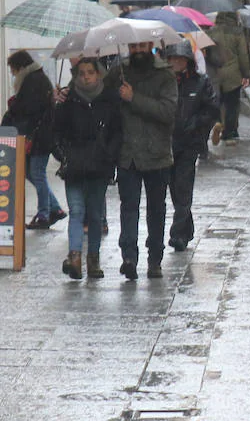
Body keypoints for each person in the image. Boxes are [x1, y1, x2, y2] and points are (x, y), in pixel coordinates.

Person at [106, 40, 177, 280]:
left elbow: (167, 112)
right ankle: (129, 257)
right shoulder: (118, 72)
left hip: (157, 154)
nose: (137, 51)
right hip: (128, 155)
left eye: (142, 46)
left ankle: (154, 259)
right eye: (133, 46)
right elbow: (102, 99)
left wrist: (133, 98)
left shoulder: (165, 75)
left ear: (151, 46)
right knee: (129, 207)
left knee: (156, 209)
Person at [52, 58, 122, 280]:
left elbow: (117, 131)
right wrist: (63, 155)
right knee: (76, 211)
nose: (86, 77)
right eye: (81, 73)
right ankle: (74, 257)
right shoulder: (67, 99)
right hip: (74, 165)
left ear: (98, 74)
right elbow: (55, 131)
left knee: (94, 214)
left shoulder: (109, 99)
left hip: (98, 166)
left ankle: (93, 259)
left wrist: (109, 155)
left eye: (90, 72)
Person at [164, 40, 219, 252]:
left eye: (180, 58)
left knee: (184, 187)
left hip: (189, 144)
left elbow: (211, 108)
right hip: (168, 143)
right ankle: (186, 229)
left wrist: (195, 125)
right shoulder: (165, 82)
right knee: (175, 190)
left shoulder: (200, 81)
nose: (176, 62)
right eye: (172, 58)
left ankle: (177, 233)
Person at [3, 51, 66, 229]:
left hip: (40, 137)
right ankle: (54, 209)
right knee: (31, 173)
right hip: (37, 136)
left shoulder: (33, 80)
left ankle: (44, 214)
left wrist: (13, 106)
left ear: (21, 67)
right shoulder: (34, 78)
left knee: (36, 173)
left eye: (13, 69)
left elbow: (27, 109)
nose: (12, 73)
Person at [207, 11, 250, 146]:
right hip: (232, 73)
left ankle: (217, 122)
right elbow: (243, 55)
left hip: (214, 73)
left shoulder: (210, 32)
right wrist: (246, 74)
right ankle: (229, 134)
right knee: (232, 105)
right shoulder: (237, 32)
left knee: (216, 103)